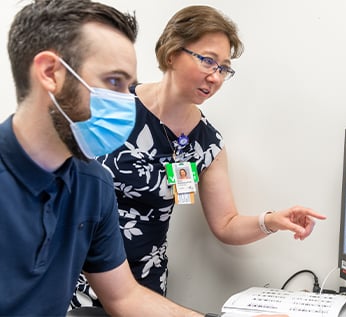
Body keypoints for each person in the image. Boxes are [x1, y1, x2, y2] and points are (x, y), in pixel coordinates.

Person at [73, 4, 327, 308]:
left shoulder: (207, 145)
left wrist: (272, 220)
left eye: (224, 68)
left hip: (145, 287)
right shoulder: (112, 104)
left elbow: (226, 223)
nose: (216, 76)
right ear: (171, 53)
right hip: (79, 273)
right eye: (208, 61)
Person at [0, 0, 220, 316]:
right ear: (51, 73)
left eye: (128, 86)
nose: (126, 103)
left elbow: (124, 298)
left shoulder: (93, 184)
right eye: (114, 83)